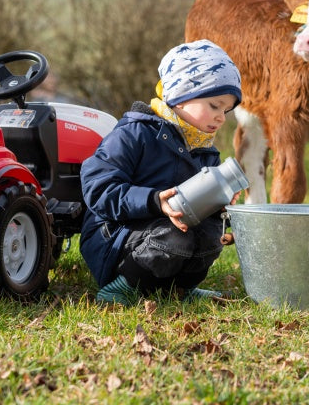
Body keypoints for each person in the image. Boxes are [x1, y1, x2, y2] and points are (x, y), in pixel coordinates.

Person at [79, 39, 243, 305]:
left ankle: (179, 288)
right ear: (181, 96)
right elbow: (98, 188)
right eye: (215, 105)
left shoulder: (204, 149)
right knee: (174, 235)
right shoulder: (134, 133)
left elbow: (203, 211)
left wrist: (221, 208)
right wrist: (154, 201)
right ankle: (121, 287)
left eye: (226, 110)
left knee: (209, 233)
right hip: (115, 239)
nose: (222, 117)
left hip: (161, 235)